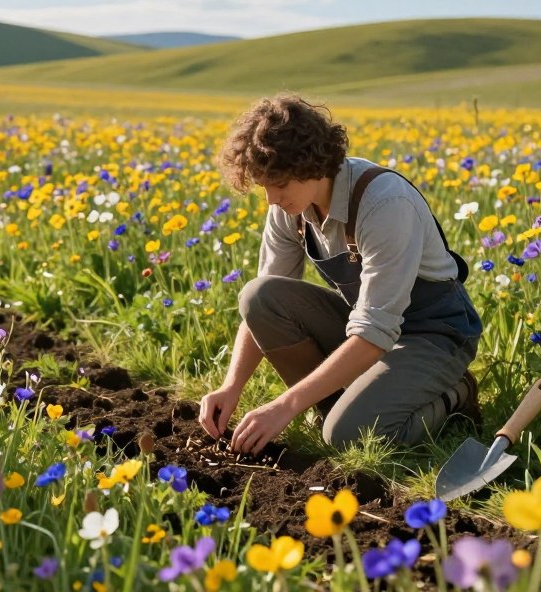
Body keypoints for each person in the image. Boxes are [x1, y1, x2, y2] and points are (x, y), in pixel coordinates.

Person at [199, 95, 482, 455]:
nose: (271, 199)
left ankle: (455, 394)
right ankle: (333, 407)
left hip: (434, 334)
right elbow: (260, 303)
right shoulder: (290, 208)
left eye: (280, 184)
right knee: (259, 297)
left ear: (312, 165)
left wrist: (285, 404)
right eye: (264, 186)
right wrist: (231, 387)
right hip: (371, 331)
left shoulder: (384, 203)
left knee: (348, 437)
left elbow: (374, 330)